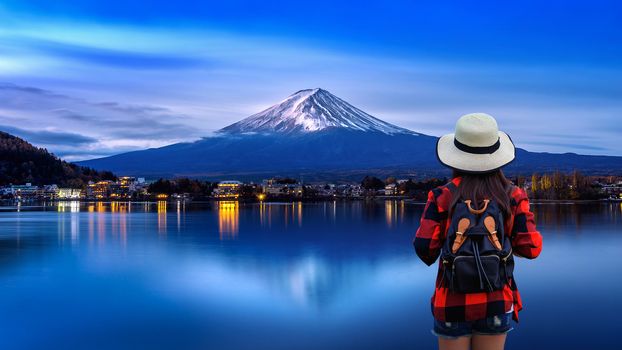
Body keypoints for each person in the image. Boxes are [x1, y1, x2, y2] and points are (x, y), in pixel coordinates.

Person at [413, 113, 543, 350]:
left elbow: (424, 250)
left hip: (450, 302)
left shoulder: (441, 196)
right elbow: (532, 248)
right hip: (497, 300)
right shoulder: (513, 195)